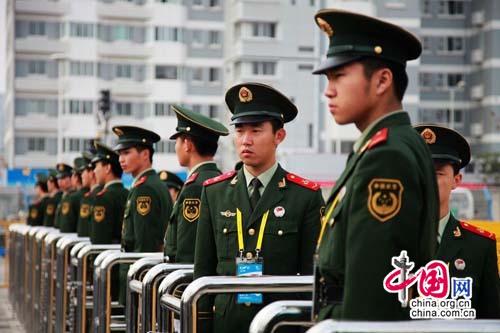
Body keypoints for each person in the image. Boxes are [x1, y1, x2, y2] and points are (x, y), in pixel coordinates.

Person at [311, 9, 439, 321]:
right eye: (329, 78)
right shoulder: (392, 144)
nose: (328, 90)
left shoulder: (386, 156)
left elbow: (373, 288)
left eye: (340, 76)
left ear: (382, 80)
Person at [194, 82, 325, 332]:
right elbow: (203, 270)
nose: (246, 140)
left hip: (280, 324)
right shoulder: (214, 192)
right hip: (227, 323)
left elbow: (313, 280)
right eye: (240, 131)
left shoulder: (305, 197)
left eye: (256, 130)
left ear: (279, 136)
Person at [415, 124, 500, 318]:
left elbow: (491, 321)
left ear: (456, 180)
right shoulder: (387, 241)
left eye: (437, 173)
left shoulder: (479, 246)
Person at [112, 125, 173, 304]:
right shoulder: (147, 184)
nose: (121, 159)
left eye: (127, 152)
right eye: (120, 154)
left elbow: (144, 243)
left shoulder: (145, 188)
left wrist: (138, 283)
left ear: (145, 154)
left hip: (141, 278)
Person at [164, 104, 229, 263]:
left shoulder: (195, 187)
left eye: (177, 141)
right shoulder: (218, 178)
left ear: (187, 144)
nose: (176, 147)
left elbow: (188, 248)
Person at [90, 142, 129, 244]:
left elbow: (99, 240)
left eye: (96, 166)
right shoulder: (128, 193)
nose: (94, 171)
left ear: (107, 168)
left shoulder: (102, 198)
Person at [59, 157, 90, 233]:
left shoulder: (72, 198)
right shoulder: (89, 194)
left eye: (72, 175)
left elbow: (65, 226)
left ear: (76, 178)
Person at [77, 152, 102, 237]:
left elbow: (83, 231)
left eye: (83, 172)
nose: (81, 176)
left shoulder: (92, 197)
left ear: (91, 173)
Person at [54, 163, 75, 230]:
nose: (59, 181)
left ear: (71, 178)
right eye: (58, 178)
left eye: (63, 178)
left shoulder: (74, 196)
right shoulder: (62, 196)